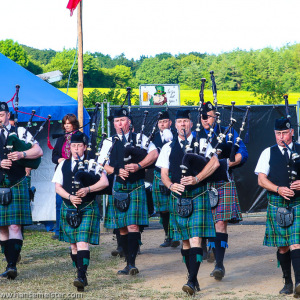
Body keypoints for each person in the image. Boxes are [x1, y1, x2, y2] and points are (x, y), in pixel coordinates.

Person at [156, 109, 218, 296]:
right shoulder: (168, 147)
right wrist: (170, 185)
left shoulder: (202, 142)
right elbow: (163, 173)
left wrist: (197, 178)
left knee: (196, 238)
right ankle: (193, 276)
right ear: (175, 125)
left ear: (191, 124)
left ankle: (191, 280)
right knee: (185, 243)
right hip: (178, 197)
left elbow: (214, 163)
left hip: (198, 194)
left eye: (185, 121)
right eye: (179, 121)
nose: (182, 124)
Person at [99, 108, 158, 275]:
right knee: (122, 227)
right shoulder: (109, 142)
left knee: (133, 225)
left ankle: (132, 263)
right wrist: (116, 171)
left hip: (137, 185)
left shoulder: (140, 138)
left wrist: (139, 165)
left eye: (122, 120)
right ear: (113, 124)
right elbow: (101, 163)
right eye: (116, 121)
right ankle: (127, 262)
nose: (119, 124)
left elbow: (154, 154)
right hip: (119, 186)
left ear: (129, 122)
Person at [52, 132, 109, 292]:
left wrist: (88, 189)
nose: (76, 148)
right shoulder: (63, 164)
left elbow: (104, 182)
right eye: (73, 145)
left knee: (82, 242)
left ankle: (81, 276)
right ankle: (79, 272)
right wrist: (70, 197)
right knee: (73, 246)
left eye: (79, 146)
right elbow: (57, 187)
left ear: (85, 147)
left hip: (87, 206)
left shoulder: (93, 163)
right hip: (69, 207)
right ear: (69, 147)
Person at [198, 101, 248, 280]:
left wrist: (226, 163)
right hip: (199, 184)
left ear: (215, 116)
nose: (205, 120)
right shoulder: (195, 134)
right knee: (203, 223)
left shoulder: (228, 132)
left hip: (222, 181)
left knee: (220, 223)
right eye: (202, 116)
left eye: (208, 116)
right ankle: (204, 249)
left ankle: (219, 264)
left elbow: (243, 153)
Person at [255, 118, 300, 298]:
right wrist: (278, 189)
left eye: (284, 133)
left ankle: (298, 283)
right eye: (278, 134)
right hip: (277, 203)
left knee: (296, 243)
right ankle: (287, 282)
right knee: (283, 247)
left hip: (298, 203)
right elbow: (261, 179)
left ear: (292, 132)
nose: (281, 137)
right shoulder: (268, 152)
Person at [0, 102, 43, 279]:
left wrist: (21, 154)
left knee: (15, 225)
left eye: (1, 115)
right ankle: (9, 260)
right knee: (2, 228)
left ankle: (12, 266)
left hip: (17, 182)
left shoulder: (21, 132)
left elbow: (38, 150)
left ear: (8, 115)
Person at [151, 111, 179, 248]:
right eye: (160, 122)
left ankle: (176, 235)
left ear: (170, 123)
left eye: (165, 122)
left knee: (174, 206)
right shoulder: (154, 137)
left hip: (174, 174)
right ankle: (168, 235)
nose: (163, 124)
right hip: (158, 174)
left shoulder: (177, 135)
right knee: (164, 209)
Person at [52, 114, 79, 240]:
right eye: (65, 123)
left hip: (78, 172)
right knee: (59, 202)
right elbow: (54, 156)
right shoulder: (61, 139)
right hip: (62, 172)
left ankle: (77, 225)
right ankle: (59, 229)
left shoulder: (81, 137)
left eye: (69, 123)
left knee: (77, 200)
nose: (66, 125)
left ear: (74, 124)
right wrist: (59, 160)